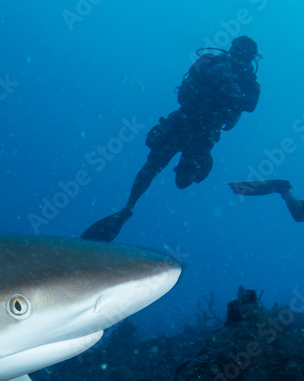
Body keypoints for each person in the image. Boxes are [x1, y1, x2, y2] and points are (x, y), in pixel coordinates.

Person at [81, 36, 261, 243]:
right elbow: (185, 88)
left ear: (251, 58)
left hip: (204, 134)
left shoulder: (250, 83)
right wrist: (213, 76)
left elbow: (250, 105)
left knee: (183, 181)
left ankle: (135, 204)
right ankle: (127, 209)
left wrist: (231, 85)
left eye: (244, 54)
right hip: (182, 122)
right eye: (237, 51)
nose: (239, 56)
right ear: (232, 49)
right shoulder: (212, 61)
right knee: (151, 166)